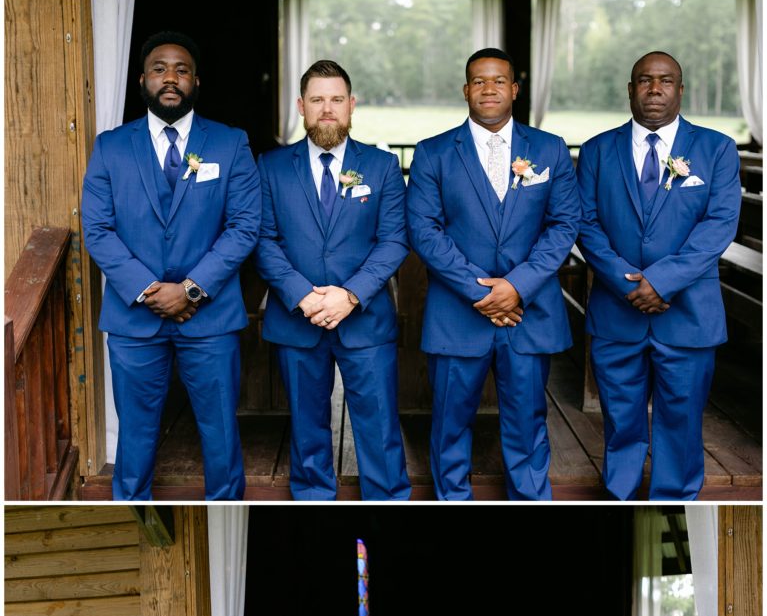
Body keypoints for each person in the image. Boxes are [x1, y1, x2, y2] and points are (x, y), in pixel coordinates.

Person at [81, 31, 260, 501]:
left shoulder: (230, 142)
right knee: (135, 434)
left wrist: (192, 289)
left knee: (220, 430)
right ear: (142, 80)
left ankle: (224, 504)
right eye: (160, 68)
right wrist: (149, 289)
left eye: (181, 70)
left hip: (212, 316)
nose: (171, 78)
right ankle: (130, 509)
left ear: (196, 82)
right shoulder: (111, 146)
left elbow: (245, 226)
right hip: (133, 317)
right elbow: (97, 229)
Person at [407, 48, 580, 501]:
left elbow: (564, 225)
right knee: (450, 424)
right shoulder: (433, 153)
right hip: (458, 313)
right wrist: (480, 291)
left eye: (499, 81)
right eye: (479, 81)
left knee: (528, 422)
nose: (489, 89)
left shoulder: (549, 149)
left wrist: (517, 286)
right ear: (466, 90)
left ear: (515, 90)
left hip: (529, 312)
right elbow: (425, 231)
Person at [576, 51, 742, 500]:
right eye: (644, 80)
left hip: (687, 312)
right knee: (620, 416)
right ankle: (620, 495)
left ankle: (673, 495)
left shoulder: (716, 148)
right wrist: (627, 281)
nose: (655, 89)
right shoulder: (596, 150)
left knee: (681, 418)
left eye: (665, 80)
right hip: (618, 307)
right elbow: (585, 224)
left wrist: (663, 281)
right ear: (630, 89)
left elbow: (720, 224)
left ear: (680, 89)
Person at [256, 60, 410, 501]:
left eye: (336, 100)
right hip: (296, 318)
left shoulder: (381, 166)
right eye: (318, 100)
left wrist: (350, 294)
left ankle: (387, 501)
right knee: (307, 427)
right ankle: (313, 499)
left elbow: (394, 241)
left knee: (379, 427)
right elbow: (263, 240)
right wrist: (302, 295)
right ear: (301, 106)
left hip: (365, 318)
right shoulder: (270, 166)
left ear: (352, 105)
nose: (327, 109)